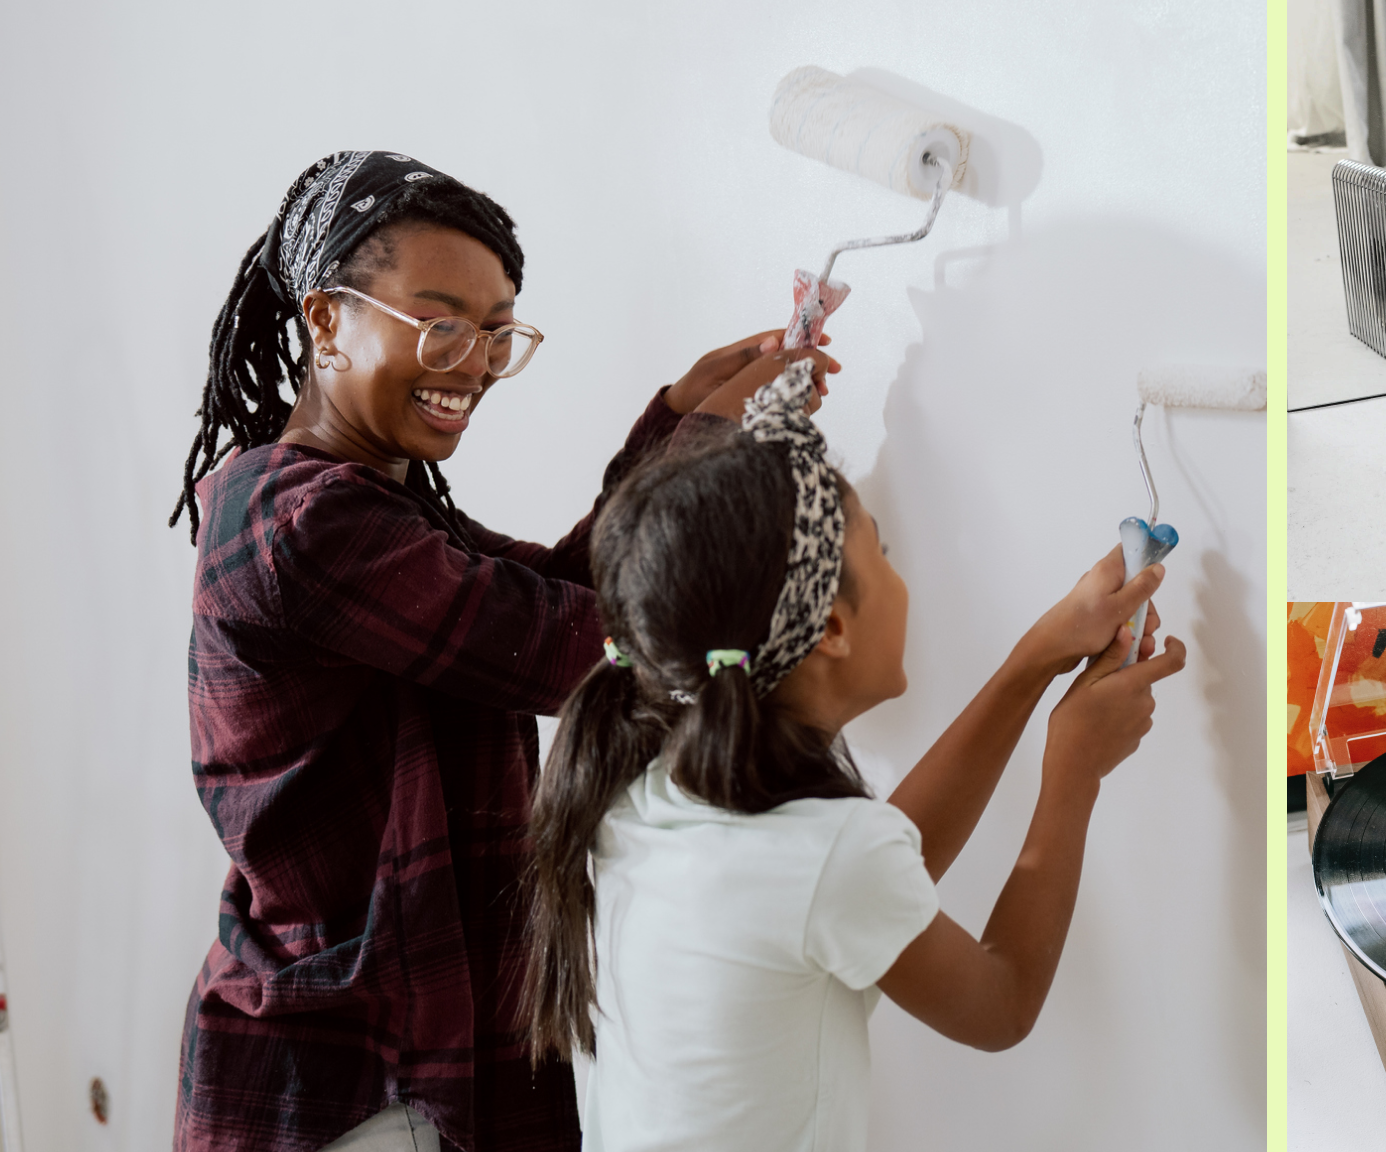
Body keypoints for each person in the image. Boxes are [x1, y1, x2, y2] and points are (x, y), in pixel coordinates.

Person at [171, 150, 832, 1152]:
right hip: (346, 1078)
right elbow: (573, 646)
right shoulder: (301, 524)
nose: (475, 362)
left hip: (419, 1050)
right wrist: (698, 445)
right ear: (324, 321)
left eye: (494, 331)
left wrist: (677, 424)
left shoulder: (368, 506)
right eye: (441, 323)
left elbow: (561, 592)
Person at [522, 362, 1188, 1150]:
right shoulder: (821, 856)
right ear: (834, 628)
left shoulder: (649, 780)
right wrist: (1072, 772)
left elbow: (858, 876)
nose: (903, 577)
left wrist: (1032, 663)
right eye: (884, 552)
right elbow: (1000, 1003)